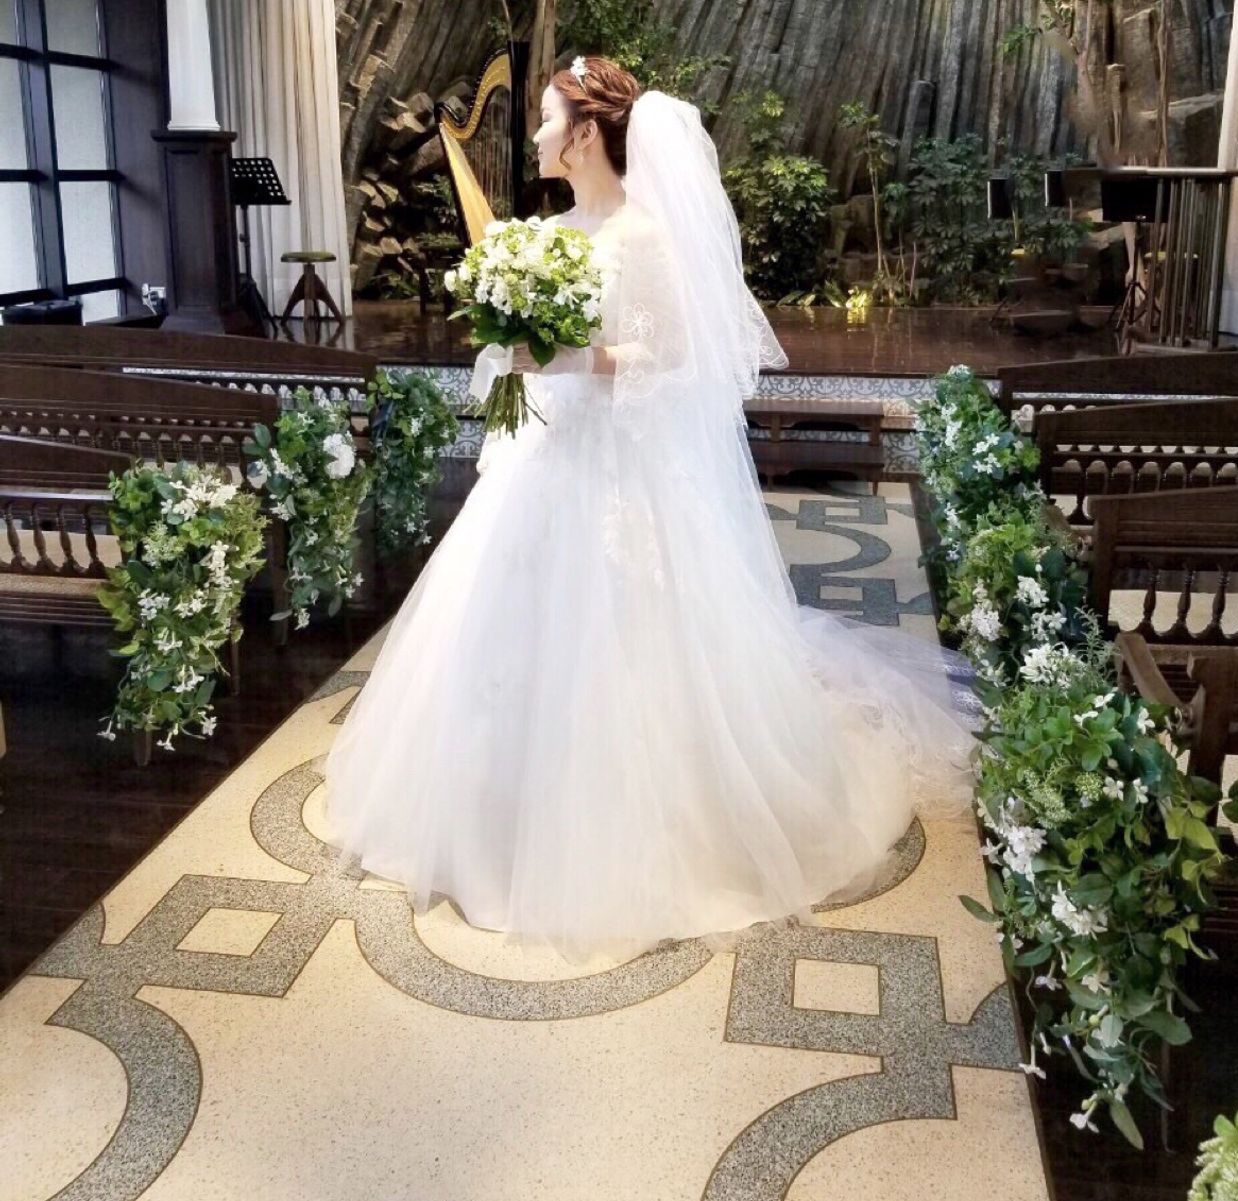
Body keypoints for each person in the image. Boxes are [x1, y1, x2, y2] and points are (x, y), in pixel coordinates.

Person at [322, 56, 978, 967]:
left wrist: (576, 358)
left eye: (547, 119)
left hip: (621, 470)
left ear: (586, 134)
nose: (537, 135)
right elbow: (525, 350)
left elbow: (672, 358)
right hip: (546, 456)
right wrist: (512, 346)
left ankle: (640, 833)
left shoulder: (645, 238)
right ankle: (490, 819)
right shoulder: (546, 233)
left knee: (631, 641)